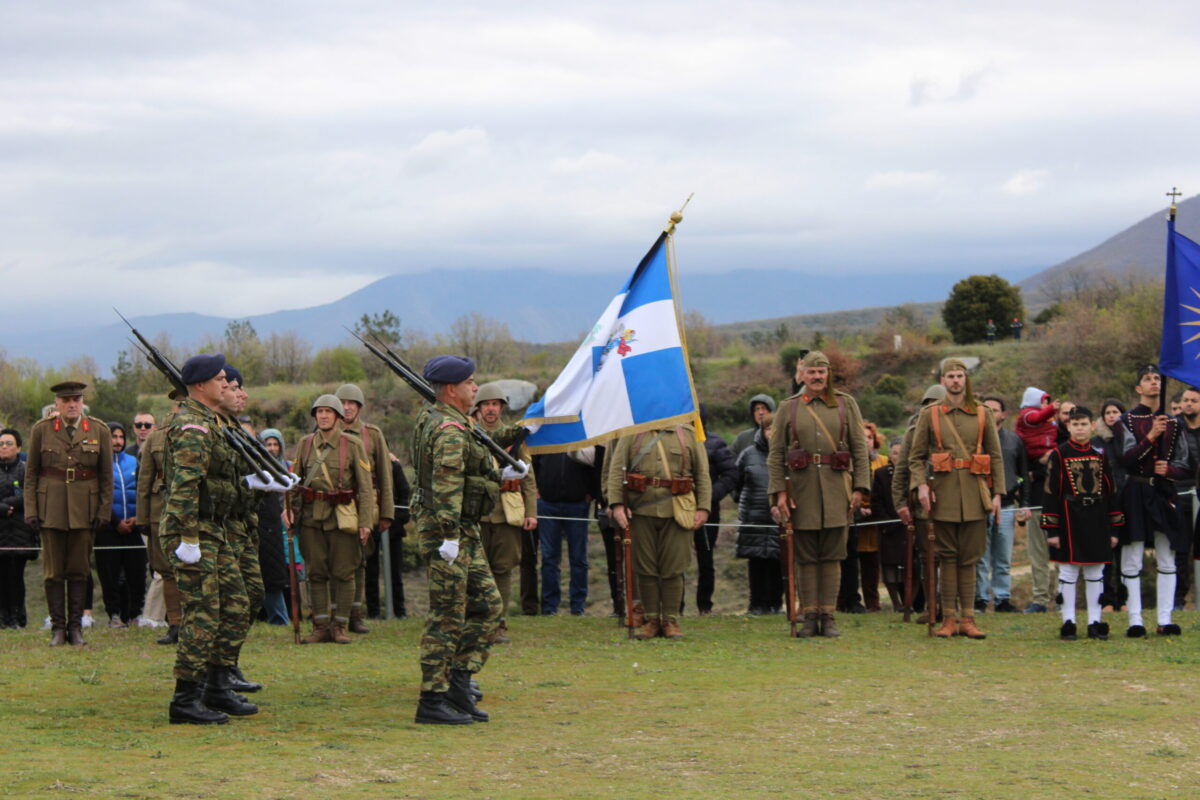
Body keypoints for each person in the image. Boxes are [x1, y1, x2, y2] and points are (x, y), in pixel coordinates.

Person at [411, 355, 526, 725]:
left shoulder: (452, 419)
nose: (475, 388)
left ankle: (459, 683)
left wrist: (518, 438)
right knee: (446, 615)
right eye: (469, 383)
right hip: (449, 532)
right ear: (451, 389)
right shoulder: (448, 429)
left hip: (462, 529)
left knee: (489, 605)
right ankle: (432, 699)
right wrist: (448, 538)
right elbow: (447, 485)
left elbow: (478, 448)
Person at [160, 354, 256, 724]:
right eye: (219, 380)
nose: (226, 384)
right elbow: (185, 488)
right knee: (203, 611)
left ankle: (216, 685)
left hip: (213, 527)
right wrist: (188, 539)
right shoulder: (192, 426)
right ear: (200, 386)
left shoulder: (211, 421)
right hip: (193, 530)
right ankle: (185, 698)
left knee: (236, 605)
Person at [767, 350, 871, 638]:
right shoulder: (788, 407)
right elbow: (776, 455)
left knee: (833, 555)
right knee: (805, 556)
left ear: (828, 375)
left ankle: (829, 615)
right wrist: (779, 493)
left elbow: (860, 450)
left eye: (821, 372)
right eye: (811, 372)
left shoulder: (846, 404)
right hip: (801, 491)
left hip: (838, 488)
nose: (816, 377)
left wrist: (860, 488)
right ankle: (810, 617)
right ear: (802, 375)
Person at [908, 358, 1004, 639]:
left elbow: (995, 456)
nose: (955, 381)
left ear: (966, 379)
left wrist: (998, 493)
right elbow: (916, 457)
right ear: (943, 381)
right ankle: (949, 619)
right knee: (947, 557)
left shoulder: (983, 413)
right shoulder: (930, 414)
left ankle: (969, 619)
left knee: (970, 558)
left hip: (975, 492)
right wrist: (921, 486)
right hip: (943, 493)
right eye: (950, 376)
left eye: (959, 376)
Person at [24, 380, 114, 647]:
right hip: (50, 508)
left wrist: (104, 510)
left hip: (84, 509)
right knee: (53, 572)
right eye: (66, 400)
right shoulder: (41, 430)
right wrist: (31, 509)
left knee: (79, 570)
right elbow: (31, 474)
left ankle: (75, 628)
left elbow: (106, 476)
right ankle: (58, 629)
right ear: (57, 404)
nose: (72, 404)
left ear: (83, 402)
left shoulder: (99, 430)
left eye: (76, 399)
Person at [607, 421, 711, 639]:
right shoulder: (632, 433)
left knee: (674, 567)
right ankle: (652, 620)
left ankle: (670, 620)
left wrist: (703, 508)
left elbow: (702, 474)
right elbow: (617, 470)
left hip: (678, 510)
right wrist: (616, 504)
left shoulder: (689, 434)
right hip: (640, 509)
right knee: (645, 568)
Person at [289, 394, 374, 644]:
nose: (323, 416)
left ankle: (340, 626)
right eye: (319, 412)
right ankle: (321, 627)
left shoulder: (352, 444)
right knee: (316, 573)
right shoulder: (305, 444)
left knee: (344, 573)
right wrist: (289, 509)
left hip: (342, 517)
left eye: (328, 412)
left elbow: (365, 487)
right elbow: (294, 482)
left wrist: (365, 522)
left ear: (337, 417)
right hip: (311, 518)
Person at [1118, 364, 1190, 637]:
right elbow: (1124, 459)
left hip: (1163, 491)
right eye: (1148, 379)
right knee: (1132, 557)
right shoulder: (1125, 421)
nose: (1154, 382)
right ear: (1139, 387)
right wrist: (1150, 437)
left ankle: (1165, 618)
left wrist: (1168, 470)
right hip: (1135, 491)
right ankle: (1135, 620)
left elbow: (1185, 464)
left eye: (1157, 378)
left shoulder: (1175, 423)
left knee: (1167, 556)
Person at [1043, 406, 1124, 641]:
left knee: (1095, 571)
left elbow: (1111, 491)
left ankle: (1094, 621)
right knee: (1068, 570)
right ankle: (1068, 621)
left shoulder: (1100, 454)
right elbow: (1050, 492)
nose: (1080, 428)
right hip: (1070, 516)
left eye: (1084, 424)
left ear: (1092, 426)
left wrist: (1115, 527)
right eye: (1075, 424)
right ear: (1068, 426)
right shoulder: (1059, 454)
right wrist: (1052, 528)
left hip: (1097, 516)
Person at [471, 383, 537, 634]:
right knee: (476, 570)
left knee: (503, 568)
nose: (491, 409)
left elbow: (528, 476)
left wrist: (531, 512)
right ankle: (478, 621)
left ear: (501, 408)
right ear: (478, 408)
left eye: (495, 404)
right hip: (477, 512)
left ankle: (499, 621)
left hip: (506, 511)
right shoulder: (469, 433)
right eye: (486, 404)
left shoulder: (514, 437)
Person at [334, 383, 395, 632]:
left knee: (359, 561)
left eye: (352, 404)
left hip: (363, 505)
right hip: (333, 505)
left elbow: (385, 475)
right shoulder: (324, 432)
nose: (347, 408)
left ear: (359, 407)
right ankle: (332, 615)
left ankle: (355, 614)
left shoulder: (373, 434)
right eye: (343, 403)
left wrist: (387, 512)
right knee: (332, 561)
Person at [893, 384, 948, 621]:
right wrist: (900, 503)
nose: (932, 408)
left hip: (951, 501)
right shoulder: (914, 430)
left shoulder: (955, 427)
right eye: (928, 404)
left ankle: (949, 607)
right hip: (921, 505)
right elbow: (902, 469)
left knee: (950, 557)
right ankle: (931, 606)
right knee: (927, 558)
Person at [136, 391, 184, 645]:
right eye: (179, 405)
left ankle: (197, 623)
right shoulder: (156, 437)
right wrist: (142, 518)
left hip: (194, 511)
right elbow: (144, 482)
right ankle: (175, 623)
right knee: (166, 570)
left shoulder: (205, 432)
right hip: (160, 511)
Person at [975, 396, 1029, 613]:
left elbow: (1023, 473)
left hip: (1006, 505)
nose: (990, 413)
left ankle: (1002, 598)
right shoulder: (973, 440)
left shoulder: (1014, 440)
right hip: (978, 505)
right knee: (980, 557)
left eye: (995, 410)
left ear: (1003, 414)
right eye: (986, 409)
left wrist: (1024, 503)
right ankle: (980, 598)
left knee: (1003, 557)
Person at [94, 421, 146, 628]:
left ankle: (134, 614)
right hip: (108, 528)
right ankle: (114, 615)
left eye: (120, 437)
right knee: (110, 575)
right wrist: (115, 521)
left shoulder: (134, 461)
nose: (117, 441)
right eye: (112, 437)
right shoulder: (97, 463)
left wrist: (137, 518)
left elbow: (143, 490)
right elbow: (96, 495)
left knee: (137, 573)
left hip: (133, 526)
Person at [532, 449, 594, 617]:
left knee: (579, 558)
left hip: (578, 504)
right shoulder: (546, 439)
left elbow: (593, 466)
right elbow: (533, 464)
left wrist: (590, 493)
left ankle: (578, 607)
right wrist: (536, 490)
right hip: (547, 503)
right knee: (549, 558)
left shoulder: (582, 438)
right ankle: (549, 607)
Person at [1015, 386, 1059, 613]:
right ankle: (1040, 599)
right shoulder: (1023, 436)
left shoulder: (1058, 435)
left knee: (1062, 552)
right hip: (1036, 501)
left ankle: (1063, 597)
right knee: (1038, 554)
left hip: (1060, 503)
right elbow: (1022, 471)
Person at [692, 404, 738, 615]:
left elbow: (731, 474)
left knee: (706, 558)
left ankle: (705, 605)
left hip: (708, 510)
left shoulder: (715, 443)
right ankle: (676, 606)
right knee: (676, 558)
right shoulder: (674, 441)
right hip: (678, 506)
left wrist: (709, 496)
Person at [734, 412, 782, 615]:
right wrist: (745, 502)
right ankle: (757, 604)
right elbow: (735, 481)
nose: (772, 433)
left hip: (779, 517)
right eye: (769, 429)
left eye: (776, 429)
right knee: (756, 562)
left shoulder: (788, 455)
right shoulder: (748, 454)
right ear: (762, 431)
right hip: (754, 516)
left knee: (778, 561)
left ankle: (776, 603)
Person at [0, 428, 38, 628]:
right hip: (1, 531)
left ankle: (17, 616)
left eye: (9, 443)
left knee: (16, 576)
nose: (4, 447)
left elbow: (31, 494)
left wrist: (11, 504)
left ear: (18, 447)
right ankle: (3, 618)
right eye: (1, 444)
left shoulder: (25, 470)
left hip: (20, 531)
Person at [1093, 399, 1128, 607]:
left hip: (1127, 499)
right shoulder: (1096, 442)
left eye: (1116, 411)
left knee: (1125, 553)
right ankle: (1106, 597)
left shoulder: (1130, 439)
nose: (1112, 415)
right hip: (1105, 501)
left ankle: (1123, 599)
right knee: (1106, 552)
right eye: (1108, 412)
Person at [257, 428, 292, 625]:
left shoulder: (287, 467)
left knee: (279, 574)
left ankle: (282, 617)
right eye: (267, 444)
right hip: (264, 525)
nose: (271, 448)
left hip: (281, 526)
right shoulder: (256, 468)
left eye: (275, 444)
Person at [1173, 386, 1200, 609]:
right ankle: (1178, 598)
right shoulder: (1173, 429)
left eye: (1194, 400)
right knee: (1180, 551)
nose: (1188, 404)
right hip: (1180, 495)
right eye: (1186, 400)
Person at [872, 438, 907, 611]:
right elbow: (876, 501)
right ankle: (896, 604)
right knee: (889, 565)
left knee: (913, 565)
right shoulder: (881, 474)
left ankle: (910, 602)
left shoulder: (913, 473)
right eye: (894, 453)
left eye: (901, 454)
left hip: (909, 525)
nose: (897, 457)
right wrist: (886, 523)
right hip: (889, 526)